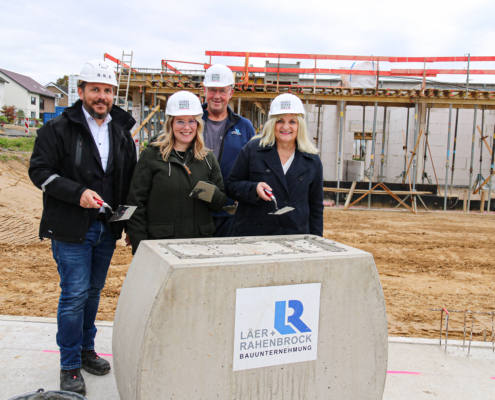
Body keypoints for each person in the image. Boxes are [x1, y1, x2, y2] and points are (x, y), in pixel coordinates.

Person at [29, 60, 137, 395]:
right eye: (95, 89)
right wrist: (77, 193)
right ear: (81, 91)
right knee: (74, 295)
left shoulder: (121, 131)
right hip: (71, 228)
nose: (101, 96)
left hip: (105, 228)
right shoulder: (58, 129)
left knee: (92, 293)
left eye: (107, 91)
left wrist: (126, 222)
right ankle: (69, 365)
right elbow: (39, 171)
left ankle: (87, 350)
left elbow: (127, 178)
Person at [126, 91, 227, 254]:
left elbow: (219, 203)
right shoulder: (152, 156)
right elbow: (135, 204)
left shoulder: (207, 158)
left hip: (198, 246)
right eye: (180, 121)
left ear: (198, 124)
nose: (186, 127)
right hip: (161, 246)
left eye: (191, 121)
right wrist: (141, 248)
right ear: (171, 124)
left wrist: (203, 189)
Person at [225, 93, 324, 237]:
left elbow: (316, 207)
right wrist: (254, 189)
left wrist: (316, 241)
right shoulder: (253, 150)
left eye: (292, 121)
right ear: (272, 124)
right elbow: (231, 186)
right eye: (280, 121)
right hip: (255, 236)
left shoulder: (312, 160)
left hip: (295, 236)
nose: (286, 127)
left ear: (300, 125)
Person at [202, 64, 255, 237]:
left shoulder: (244, 126)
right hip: (196, 210)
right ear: (204, 90)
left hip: (230, 213)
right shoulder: (192, 123)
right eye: (212, 90)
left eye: (222, 91)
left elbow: (254, 166)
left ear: (230, 93)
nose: (217, 96)